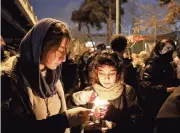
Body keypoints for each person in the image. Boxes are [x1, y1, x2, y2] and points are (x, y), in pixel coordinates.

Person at [1, 18, 91, 133]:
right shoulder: (9, 80)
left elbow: (52, 106)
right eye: (59, 50)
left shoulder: (52, 73)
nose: (63, 59)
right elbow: (15, 127)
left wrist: (75, 99)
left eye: (66, 52)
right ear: (40, 46)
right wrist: (65, 120)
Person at [66, 50, 141, 133]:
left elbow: (137, 123)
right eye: (102, 73)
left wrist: (116, 115)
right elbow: (70, 119)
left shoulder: (126, 91)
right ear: (96, 73)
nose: (107, 78)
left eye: (111, 73)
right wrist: (86, 128)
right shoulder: (88, 93)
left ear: (118, 74)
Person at [141, 38, 180, 133]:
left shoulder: (172, 65)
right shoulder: (152, 64)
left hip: (169, 106)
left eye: (172, 49)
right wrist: (167, 89)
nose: (170, 51)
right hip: (154, 106)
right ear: (160, 50)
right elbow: (146, 87)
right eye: (167, 48)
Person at [154, 47, 180, 133]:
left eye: (177, 64)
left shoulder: (171, 108)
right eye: (167, 48)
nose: (176, 68)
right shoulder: (153, 66)